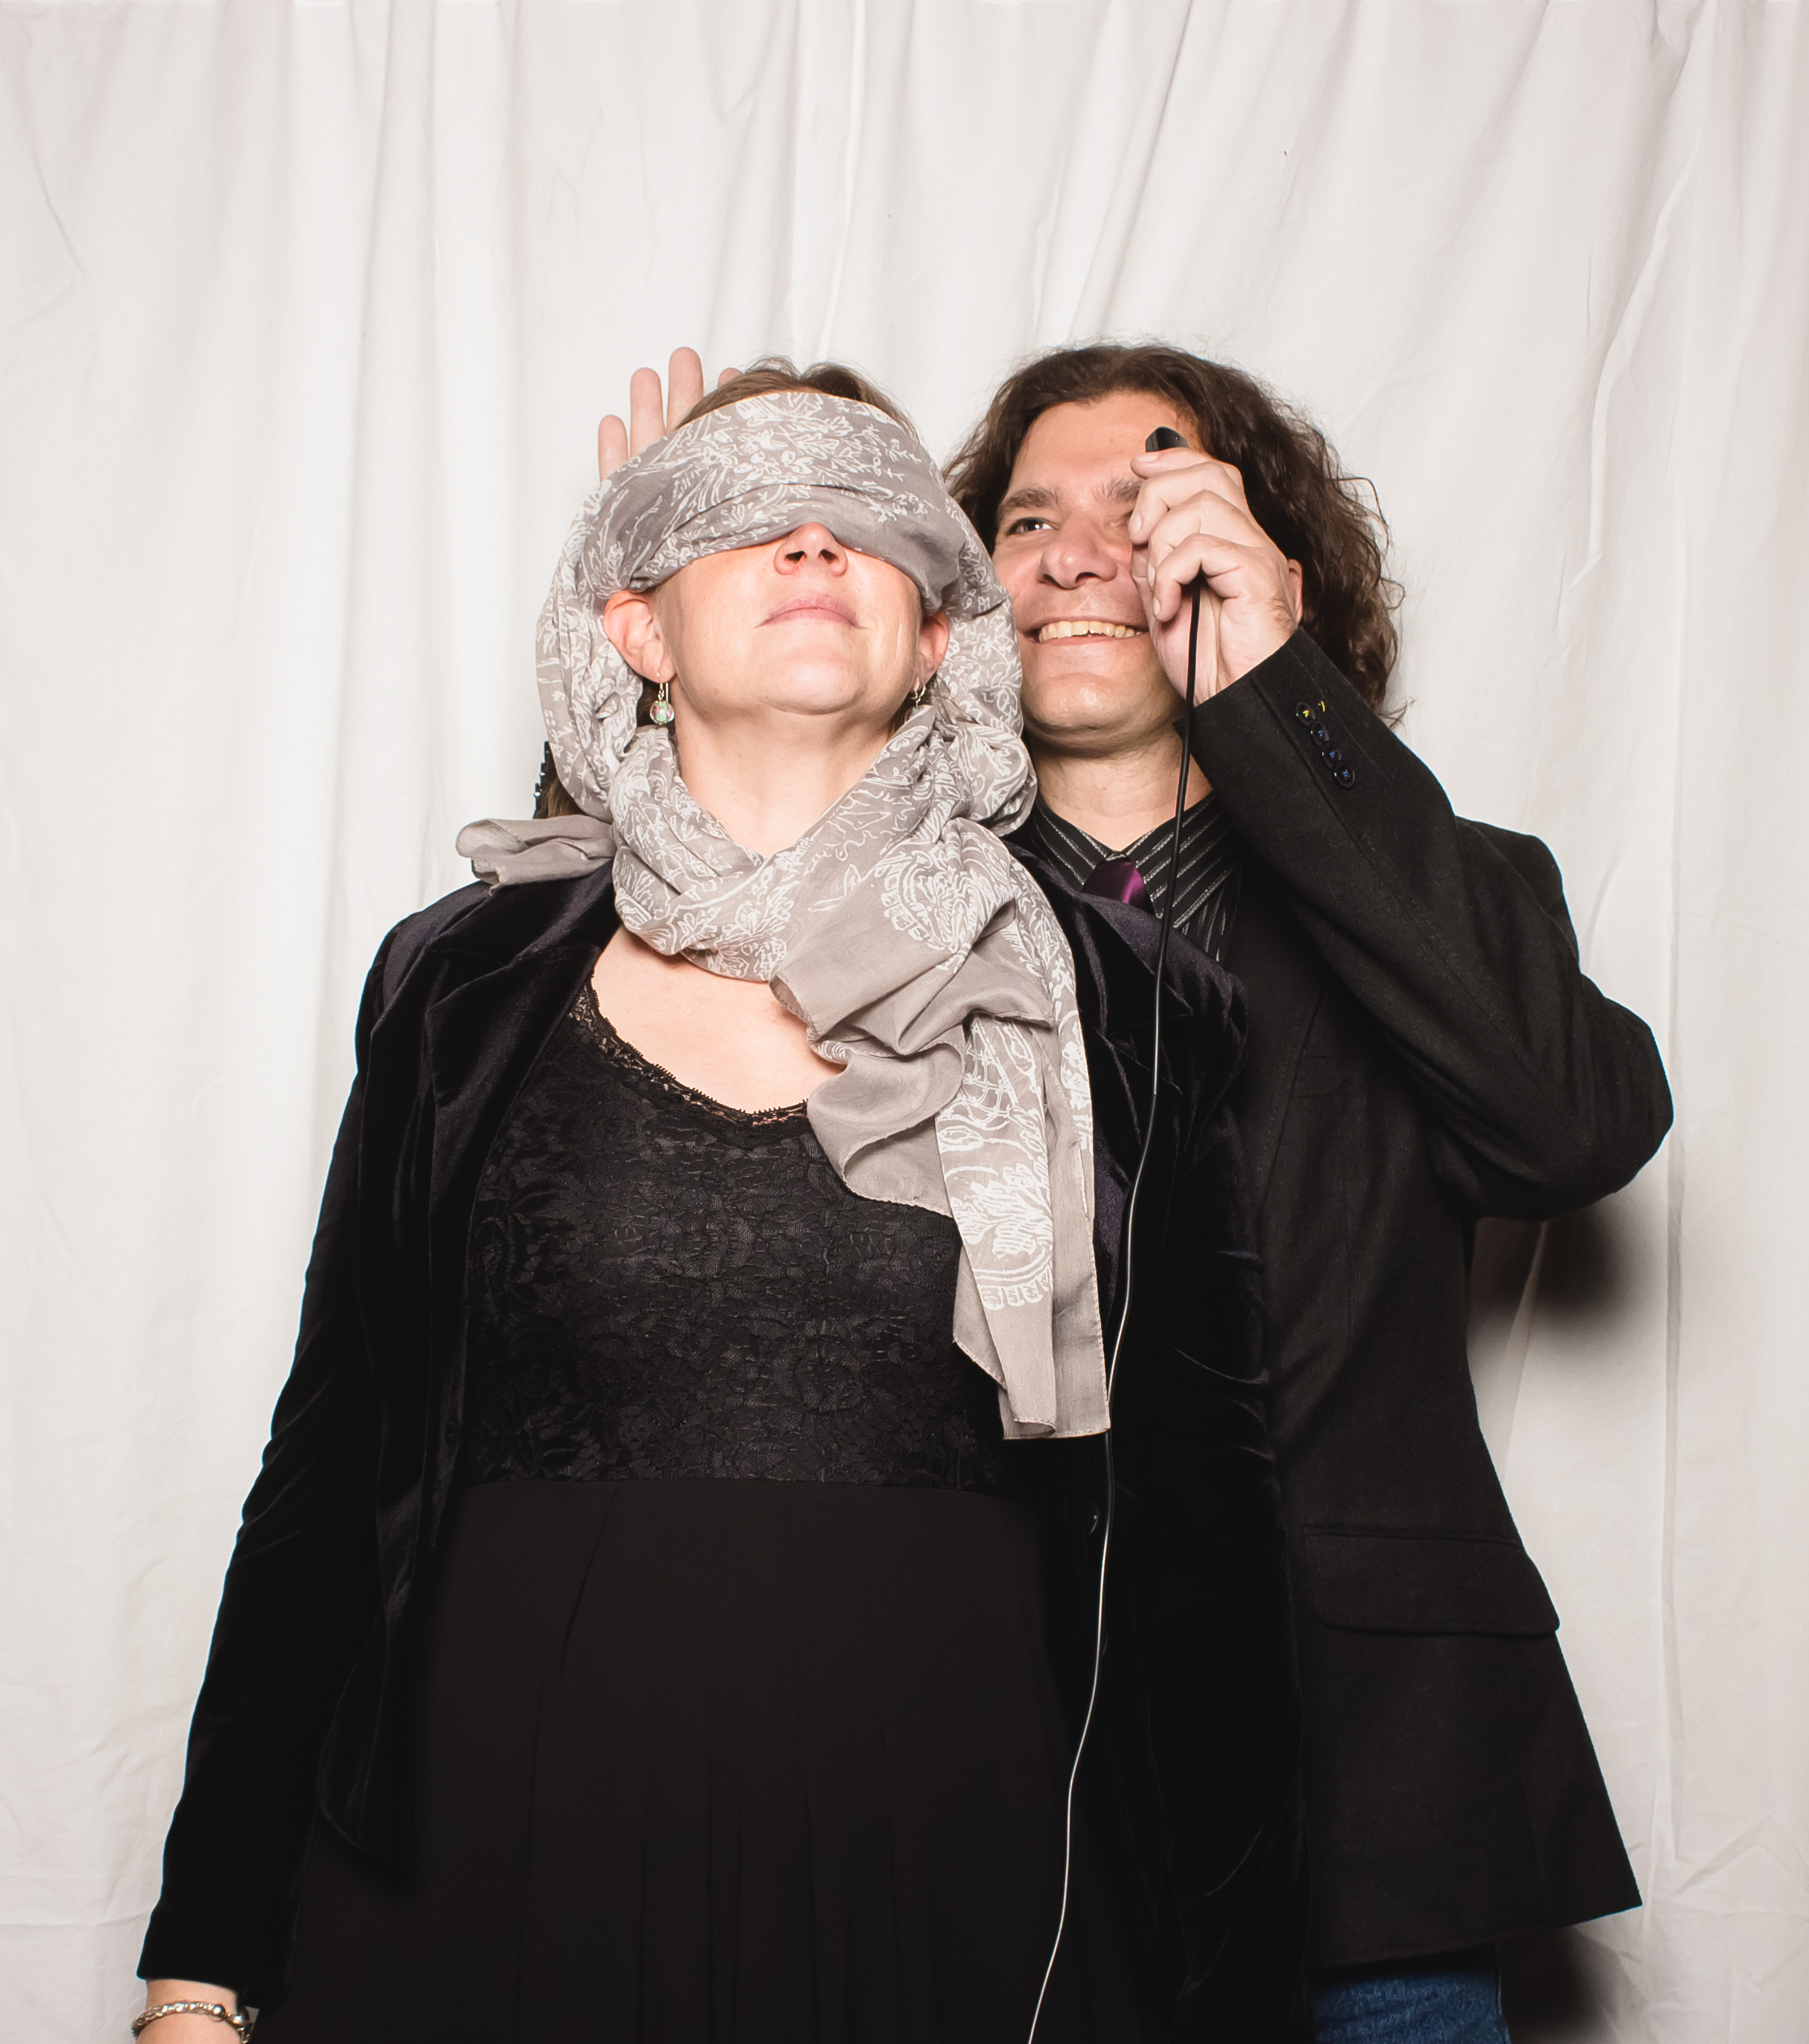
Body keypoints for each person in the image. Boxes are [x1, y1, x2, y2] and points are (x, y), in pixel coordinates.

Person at [134, 366, 1309, 2043]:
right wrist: (201, 1963)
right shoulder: (462, 984)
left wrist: (1236, 1997)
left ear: (939, 637)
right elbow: (333, 1465)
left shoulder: (1121, 1001)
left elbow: (1209, 1538)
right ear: (634, 629)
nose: (813, 545)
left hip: (965, 1873)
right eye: (743, 518)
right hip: (492, 1860)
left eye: (865, 522)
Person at [610, 342, 1674, 2044]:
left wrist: (1284, 696)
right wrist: (677, 622)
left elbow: (1571, 1127)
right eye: (1029, 521)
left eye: (1149, 507)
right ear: (956, 602)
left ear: (1270, 570)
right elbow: (605, 1093)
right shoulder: (842, 916)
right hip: (964, 1789)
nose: (1082, 556)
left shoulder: (1437, 888)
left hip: (1365, 1822)